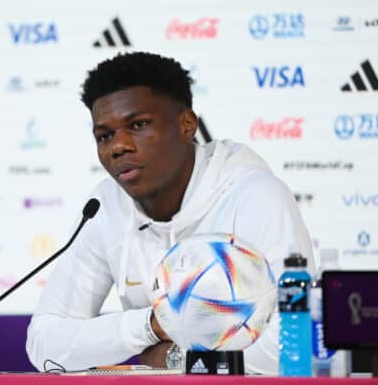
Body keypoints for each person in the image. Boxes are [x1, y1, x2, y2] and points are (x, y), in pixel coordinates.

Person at [26, 51, 315, 374]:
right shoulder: (106, 206)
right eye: (104, 136)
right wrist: (152, 325)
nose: (118, 146)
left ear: (186, 125)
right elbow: (44, 343)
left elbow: (291, 348)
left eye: (137, 125)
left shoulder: (254, 195)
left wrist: (174, 357)